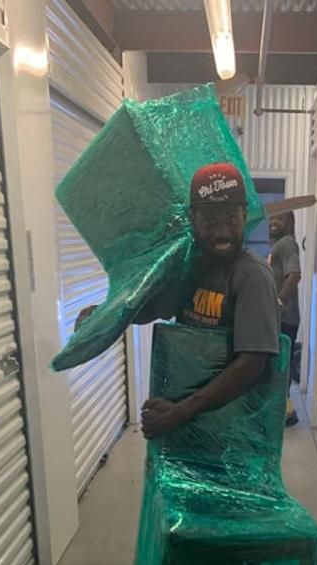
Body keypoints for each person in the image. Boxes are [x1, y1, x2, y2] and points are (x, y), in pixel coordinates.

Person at [76, 163, 281, 440]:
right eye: (210, 222)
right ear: (192, 218)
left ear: (245, 216)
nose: (222, 233)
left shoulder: (252, 276)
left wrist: (181, 412)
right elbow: (150, 308)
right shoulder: (191, 267)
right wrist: (104, 317)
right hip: (191, 420)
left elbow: (252, 364)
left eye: (232, 219)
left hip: (235, 431)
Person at [268, 211, 302, 427]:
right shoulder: (280, 244)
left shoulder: (287, 243)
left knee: (281, 363)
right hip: (282, 317)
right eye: (271, 219)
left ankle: (287, 412)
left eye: (278, 219)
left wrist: (278, 302)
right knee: (280, 362)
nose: (273, 223)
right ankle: (284, 409)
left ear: (289, 222)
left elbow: (295, 274)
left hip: (285, 317)